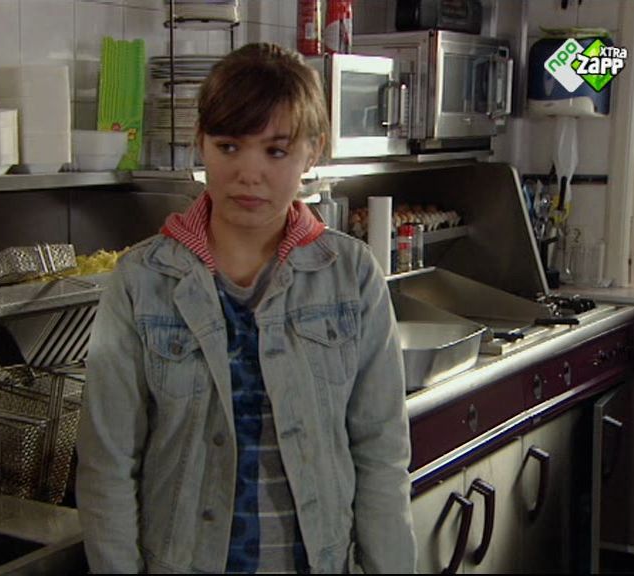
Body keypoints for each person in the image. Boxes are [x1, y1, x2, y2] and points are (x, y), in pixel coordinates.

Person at [76, 43, 416, 574]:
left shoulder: (351, 276)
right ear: (201, 144)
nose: (248, 173)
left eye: (276, 151)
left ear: (312, 153)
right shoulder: (142, 280)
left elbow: (381, 453)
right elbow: (107, 463)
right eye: (229, 146)